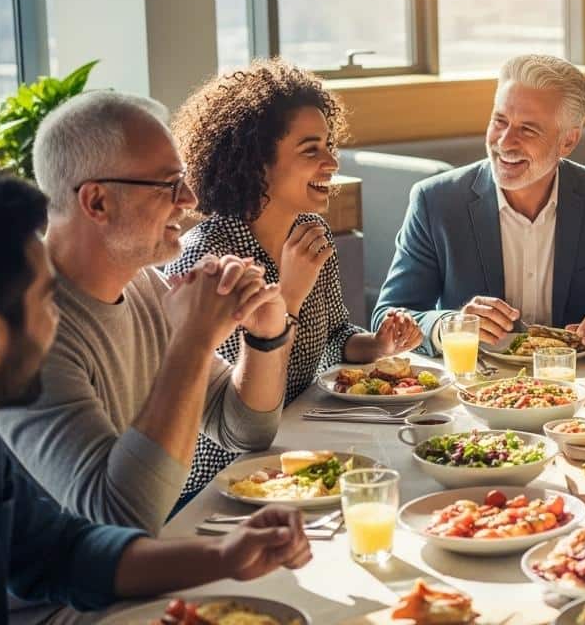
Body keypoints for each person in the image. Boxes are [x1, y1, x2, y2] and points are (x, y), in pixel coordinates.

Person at [0, 167, 311, 624]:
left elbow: (62, 551)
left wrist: (223, 555)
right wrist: (195, 337)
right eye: (47, 301)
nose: (56, 321)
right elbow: (120, 515)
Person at [0, 90, 291, 533]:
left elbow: (245, 431)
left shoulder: (143, 283)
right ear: (96, 202)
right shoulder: (27, 331)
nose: (189, 199)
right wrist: (193, 338)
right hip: (67, 600)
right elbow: (121, 516)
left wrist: (264, 336)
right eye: (169, 184)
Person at [170, 60, 422, 498]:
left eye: (329, 145)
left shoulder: (312, 232)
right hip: (228, 481)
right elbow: (242, 415)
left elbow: (334, 335)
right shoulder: (208, 260)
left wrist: (377, 346)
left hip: (302, 456)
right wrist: (287, 295)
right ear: (256, 164)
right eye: (311, 150)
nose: (331, 162)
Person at [375, 53, 585, 352]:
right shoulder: (436, 200)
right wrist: (453, 325)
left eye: (528, 129)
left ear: (568, 142)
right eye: (500, 121)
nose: (505, 142)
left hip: (578, 385)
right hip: (476, 386)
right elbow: (389, 318)